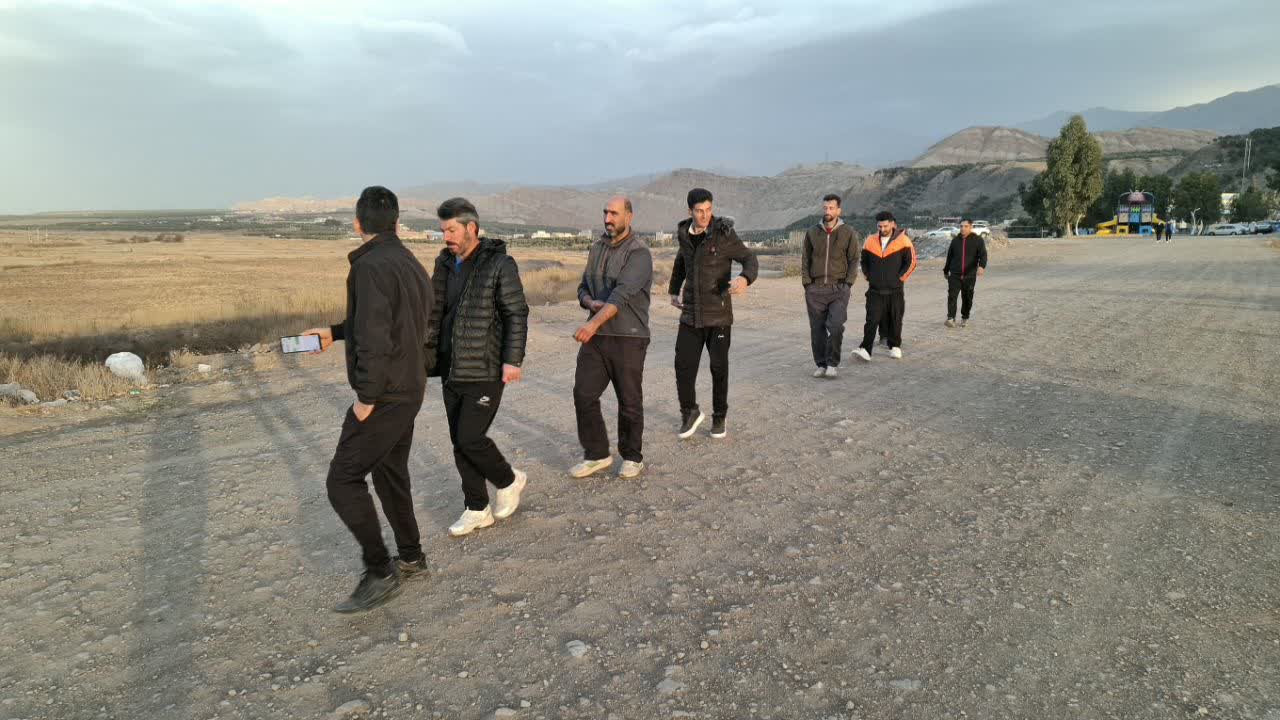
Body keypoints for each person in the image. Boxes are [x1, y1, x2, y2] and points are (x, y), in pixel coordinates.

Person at [303, 186, 433, 613]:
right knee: (390, 472)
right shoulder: (409, 262)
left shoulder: (369, 266)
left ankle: (379, 571)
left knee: (342, 480)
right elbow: (388, 321)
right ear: (396, 223)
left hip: (386, 393)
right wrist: (334, 332)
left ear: (358, 223)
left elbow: (376, 336)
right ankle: (411, 557)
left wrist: (366, 397)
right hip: (409, 386)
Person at [426, 198, 530, 537]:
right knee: (459, 442)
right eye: (443, 231)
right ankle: (476, 508)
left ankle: (509, 479)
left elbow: (516, 313)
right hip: (451, 367)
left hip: (485, 367)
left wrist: (512, 360)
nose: (446, 237)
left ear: (472, 228)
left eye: (451, 230)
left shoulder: (499, 264)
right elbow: (432, 313)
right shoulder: (444, 263)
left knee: (470, 437)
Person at [570, 196, 653, 479]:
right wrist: (589, 302)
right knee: (584, 394)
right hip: (597, 337)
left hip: (628, 336)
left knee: (629, 400)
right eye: (606, 212)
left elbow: (621, 295)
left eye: (614, 213)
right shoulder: (596, 248)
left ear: (629, 216)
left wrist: (592, 323)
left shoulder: (639, 253)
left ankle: (632, 456)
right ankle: (597, 454)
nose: (608, 218)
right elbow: (582, 286)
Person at [668, 188, 759, 439]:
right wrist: (674, 290)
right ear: (690, 211)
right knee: (683, 366)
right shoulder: (684, 234)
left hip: (718, 314)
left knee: (718, 369)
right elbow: (681, 262)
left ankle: (719, 416)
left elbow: (749, 259)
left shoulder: (724, 233)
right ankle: (690, 412)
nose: (705, 215)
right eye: (699, 211)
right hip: (690, 313)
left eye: (708, 209)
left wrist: (744, 278)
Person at [801, 193, 858, 378]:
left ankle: (832, 363)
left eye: (831, 208)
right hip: (815, 289)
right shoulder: (812, 232)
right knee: (817, 329)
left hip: (838, 289)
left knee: (835, 326)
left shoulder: (848, 232)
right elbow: (805, 259)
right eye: (825, 207)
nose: (827, 211)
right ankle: (821, 364)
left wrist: (848, 283)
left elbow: (854, 259)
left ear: (838, 210)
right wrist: (807, 284)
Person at [853, 210, 917, 361]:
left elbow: (911, 262)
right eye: (879, 226)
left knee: (895, 319)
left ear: (892, 224)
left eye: (885, 226)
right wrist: (868, 276)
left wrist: (900, 278)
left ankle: (895, 347)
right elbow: (864, 261)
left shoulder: (904, 241)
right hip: (875, 290)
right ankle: (866, 349)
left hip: (895, 290)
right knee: (871, 320)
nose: (882, 229)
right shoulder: (870, 241)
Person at [943, 218, 987, 328]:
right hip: (955, 274)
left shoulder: (978, 240)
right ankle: (951, 318)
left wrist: (981, 266)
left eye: (965, 226)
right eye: (961, 226)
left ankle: (965, 317)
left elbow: (983, 255)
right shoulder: (955, 241)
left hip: (969, 274)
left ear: (971, 227)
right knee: (952, 296)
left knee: (967, 297)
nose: (963, 228)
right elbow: (949, 257)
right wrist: (946, 270)